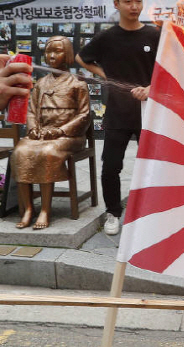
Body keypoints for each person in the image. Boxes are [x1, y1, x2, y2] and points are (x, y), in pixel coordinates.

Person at [76, 0, 160, 235]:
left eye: (138, 1)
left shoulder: (154, 35)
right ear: (117, 4)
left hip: (149, 112)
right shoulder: (107, 37)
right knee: (111, 166)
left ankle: (152, 213)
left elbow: (168, 68)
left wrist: (151, 87)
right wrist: (106, 75)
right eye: (127, 1)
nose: (134, 6)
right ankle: (113, 213)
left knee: (153, 167)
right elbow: (82, 59)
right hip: (117, 111)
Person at [11, 36, 90, 229]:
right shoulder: (40, 84)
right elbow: (31, 111)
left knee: (47, 153)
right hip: (42, 134)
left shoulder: (77, 83)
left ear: (68, 54)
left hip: (69, 137)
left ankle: (45, 210)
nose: (52, 55)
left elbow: (84, 115)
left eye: (57, 51)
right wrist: (33, 129)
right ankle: (28, 209)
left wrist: (60, 130)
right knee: (20, 153)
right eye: (48, 52)